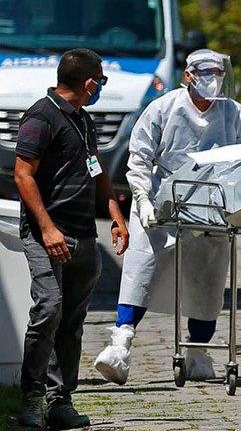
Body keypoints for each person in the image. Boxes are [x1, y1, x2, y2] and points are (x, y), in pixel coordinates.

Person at [94, 49, 241, 385]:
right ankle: (120, 343)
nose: (212, 80)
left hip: (212, 205)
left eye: (217, 73)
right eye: (205, 73)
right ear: (187, 76)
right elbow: (138, 159)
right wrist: (143, 199)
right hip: (163, 200)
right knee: (143, 264)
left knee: (208, 276)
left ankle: (198, 349)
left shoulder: (233, 113)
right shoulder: (162, 108)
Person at [15, 48, 130, 429]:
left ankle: (60, 400)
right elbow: (23, 175)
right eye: (101, 80)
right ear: (90, 82)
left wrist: (115, 215)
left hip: (83, 236)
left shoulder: (83, 120)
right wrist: (47, 228)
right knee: (49, 309)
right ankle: (31, 398)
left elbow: (96, 169)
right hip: (48, 234)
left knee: (73, 321)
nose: (101, 88)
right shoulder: (41, 115)